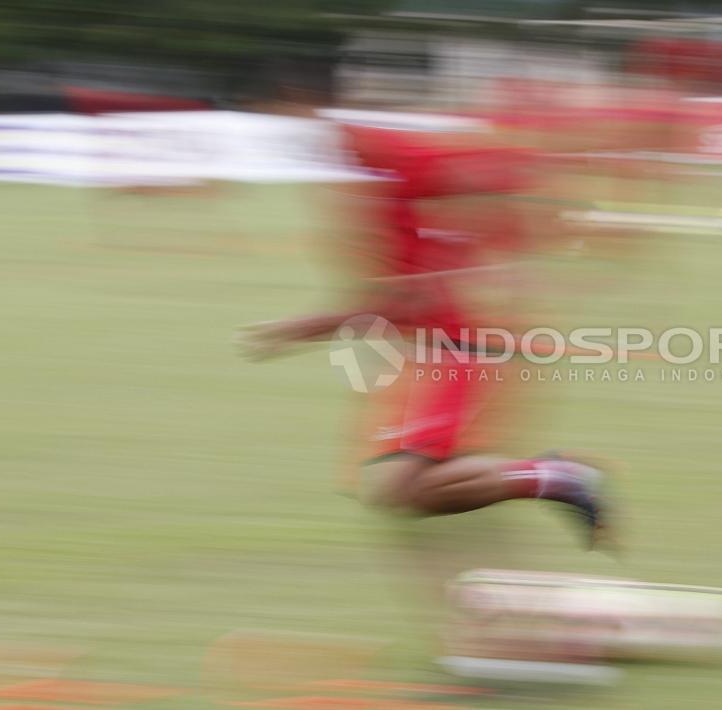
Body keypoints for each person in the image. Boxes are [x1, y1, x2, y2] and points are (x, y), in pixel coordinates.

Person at [238, 122, 613, 550]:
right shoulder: (415, 197)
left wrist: (300, 329)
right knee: (403, 486)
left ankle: (552, 477)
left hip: (458, 353)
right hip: (451, 351)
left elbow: (397, 305)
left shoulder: (397, 192)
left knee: (398, 487)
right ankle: (547, 477)